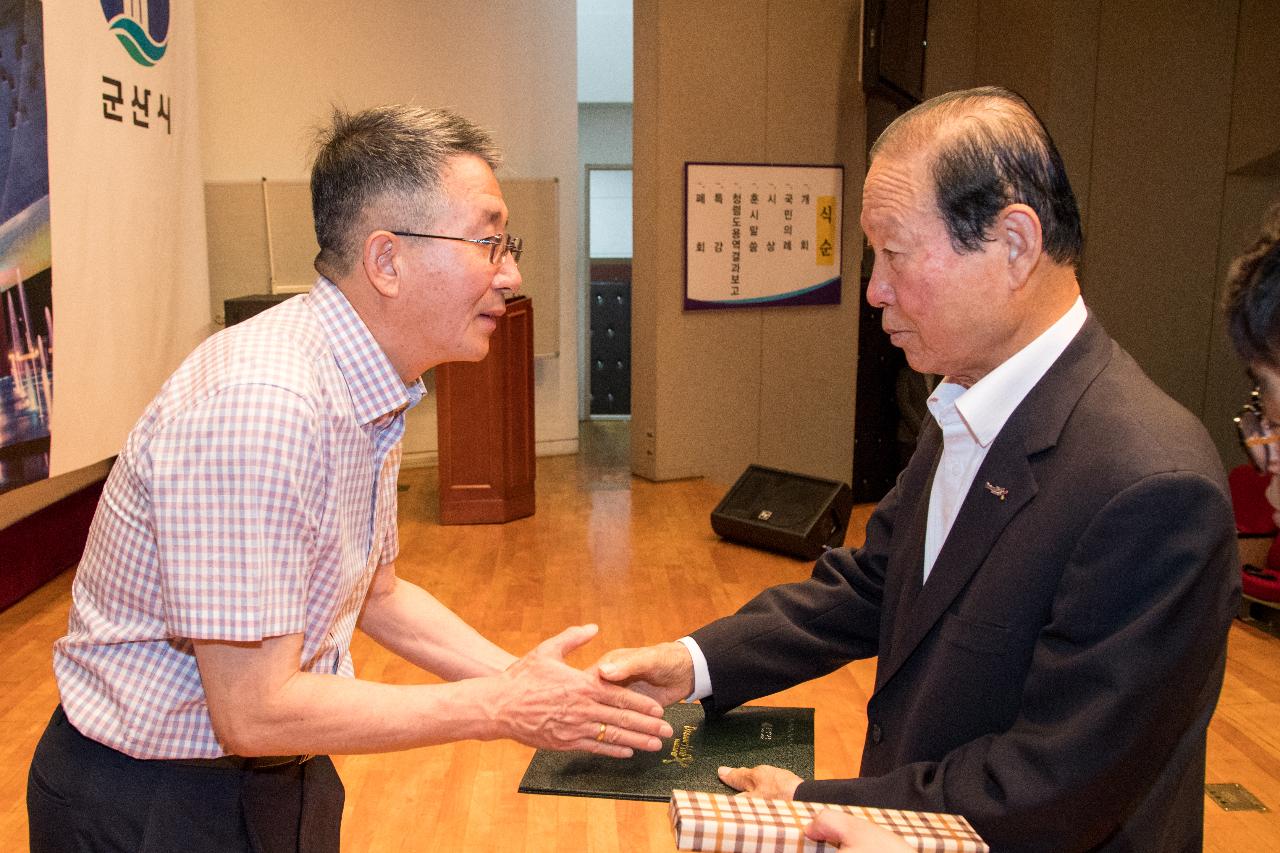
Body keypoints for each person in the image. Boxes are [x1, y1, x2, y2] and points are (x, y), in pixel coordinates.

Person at [598, 86, 1240, 851]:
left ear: (1014, 245)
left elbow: (1056, 784)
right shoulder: (968, 394)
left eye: (895, 253)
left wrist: (813, 799)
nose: (873, 290)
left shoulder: (1151, 486)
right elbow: (877, 581)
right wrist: (694, 663)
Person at [27, 105, 671, 853]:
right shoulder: (264, 405)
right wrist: (501, 705)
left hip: (278, 774)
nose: (512, 273)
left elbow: (379, 593)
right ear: (387, 260)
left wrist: (537, 683)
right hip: (153, 804)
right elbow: (254, 711)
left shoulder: (365, 383)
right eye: (489, 242)